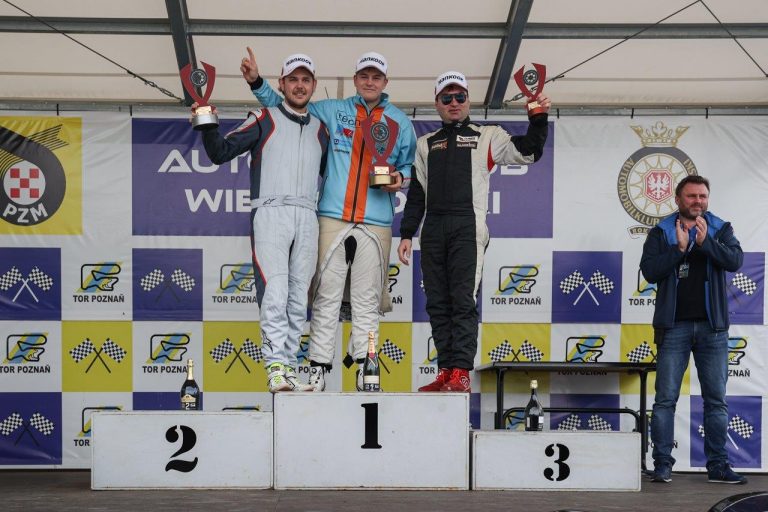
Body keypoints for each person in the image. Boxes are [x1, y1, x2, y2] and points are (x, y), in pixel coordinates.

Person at [241, 48, 416, 391]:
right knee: (325, 297)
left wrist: (399, 178)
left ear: (385, 81)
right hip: (331, 217)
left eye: (376, 77)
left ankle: (367, 371)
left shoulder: (400, 121)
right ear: (354, 79)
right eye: (364, 76)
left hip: (377, 220)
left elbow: (409, 166)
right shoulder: (332, 110)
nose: (369, 82)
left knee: (366, 300)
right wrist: (257, 83)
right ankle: (318, 368)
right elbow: (286, 107)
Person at [397, 71, 550, 392]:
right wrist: (408, 233)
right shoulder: (425, 143)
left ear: (468, 100)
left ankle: (461, 371)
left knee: (462, 300)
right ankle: (445, 370)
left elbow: (529, 152)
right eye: (447, 98)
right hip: (433, 228)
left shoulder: (488, 135)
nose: (454, 103)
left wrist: (537, 117)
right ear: (437, 103)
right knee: (437, 302)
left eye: (460, 97)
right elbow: (418, 194)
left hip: (468, 227)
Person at [197, 54, 329, 392]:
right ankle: (275, 368)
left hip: (308, 216)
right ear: (281, 84)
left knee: (298, 300)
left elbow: (334, 176)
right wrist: (206, 120)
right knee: (275, 293)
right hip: (271, 212)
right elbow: (220, 152)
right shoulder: (263, 118)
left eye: (306, 80)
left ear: (314, 85)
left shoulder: (321, 129)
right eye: (293, 79)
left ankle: (290, 368)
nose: (299, 86)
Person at [640, 175, 746, 484]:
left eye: (702, 196)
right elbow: (649, 271)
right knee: (665, 400)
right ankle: (662, 464)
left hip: (713, 329)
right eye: (691, 196)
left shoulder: (721, 228)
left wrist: (705, 243)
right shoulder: (661, 231)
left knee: (716, 401)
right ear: (678, 199)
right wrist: (679, 250)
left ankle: (718, 466)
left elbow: (735, 261)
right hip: (673, 327)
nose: (698, 201)